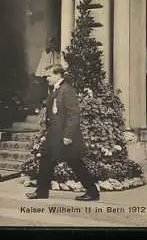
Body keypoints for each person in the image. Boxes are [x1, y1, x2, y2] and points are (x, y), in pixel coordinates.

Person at [26, 63, 99, 201]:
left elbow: (74, 114)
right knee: (46, 159)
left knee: (75, 163)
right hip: (54, 135)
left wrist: (68, 136)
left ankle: (92, 191)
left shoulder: (66, 90)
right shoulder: (56, 90)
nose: (46, 78)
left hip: (64, 136)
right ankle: (41, 191)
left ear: (58, 75)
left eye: (49, 75)